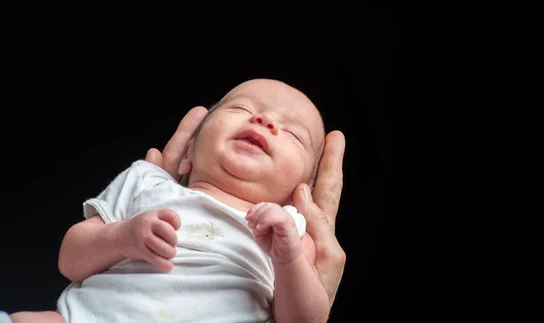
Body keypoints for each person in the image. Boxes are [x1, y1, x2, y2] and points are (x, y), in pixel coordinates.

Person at [3, 78, 346, 323]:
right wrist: (122, 236)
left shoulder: (290, 233)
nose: (265, 120)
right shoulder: (147, 182)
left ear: (298, 192)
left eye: (293, 134)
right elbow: (70, 259)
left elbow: (304, 320)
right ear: (188, 154)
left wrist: (287, 260)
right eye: (242, 107)